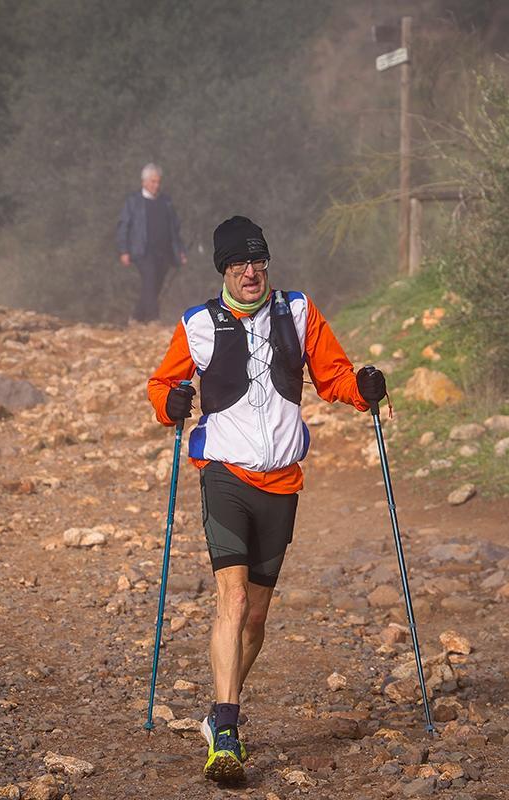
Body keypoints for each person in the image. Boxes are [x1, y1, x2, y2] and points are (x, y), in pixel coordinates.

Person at [146, 216, 387, 783]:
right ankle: (227, 730)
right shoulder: (198, 324)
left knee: (255, 617)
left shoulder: (298, 312)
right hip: (224, 475)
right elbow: (162, 386)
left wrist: (365, 388)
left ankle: (215, 711)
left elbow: (335, 378)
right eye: (238, 264)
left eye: (258, 262)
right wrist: (172, 404)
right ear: (223, 269)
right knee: (231, 601)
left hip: (282, 482)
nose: (250, 272)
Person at [116, 163, 188, 322]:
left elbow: (174, 229)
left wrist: (180, 251)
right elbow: (124, 226)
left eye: (158, 182)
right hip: (142, 251)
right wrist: (124, 250)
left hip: (164, 252)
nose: (157, 185)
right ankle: (153, 320)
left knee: (155, 286)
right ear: (144, 182)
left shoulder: (166, 202)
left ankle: (136, 318)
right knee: (149, 280)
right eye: (153, 181)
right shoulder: (133, 202)